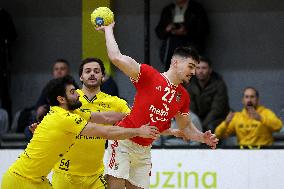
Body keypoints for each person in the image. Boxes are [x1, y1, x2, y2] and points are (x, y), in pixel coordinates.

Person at [97, 23, 218, 189]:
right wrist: (108, 30)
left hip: (144, 150)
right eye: (191, 66)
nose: (194, 72)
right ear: (175, 63)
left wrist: (202, 137)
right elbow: (116, 57)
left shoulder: (182, 96)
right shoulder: (148, 75)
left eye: (196, 68)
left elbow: (186, 127)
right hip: (123, 141)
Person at [1, 76, 159, 189]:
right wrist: (138, 130)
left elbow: (104, 116)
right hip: (20, 181)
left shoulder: (72, 113)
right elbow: (106, 131)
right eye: (72, 92)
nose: (78, 94)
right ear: (61, 99)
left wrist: (137, 114)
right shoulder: (65, 118)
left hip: (37, 180)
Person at [51, 57, 130, 189]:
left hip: (95, 177)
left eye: (96, 71)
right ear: (81, 77)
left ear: (103, 76)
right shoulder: (69, 99)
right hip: (64, 175)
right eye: (87, 71)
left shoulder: (116, 103)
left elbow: (135, 119)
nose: (92, 74)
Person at [215, 87, 282, 149]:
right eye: (246, 97)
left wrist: (261, 118)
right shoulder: (238, 116)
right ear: (243, 100)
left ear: (257, 99)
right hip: (243, 153)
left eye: (252, 97)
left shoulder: (266, 113)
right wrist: (226, 123)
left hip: (264, 152)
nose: (249, 100)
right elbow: (217, 134)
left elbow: (279, 127)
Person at [155, 0, 209, 70]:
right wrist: (167, 29)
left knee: (189, 74)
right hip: (172, 50)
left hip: (190, 47)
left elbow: (204, 30)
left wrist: (186, 31)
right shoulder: (168, 9)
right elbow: (159, 32)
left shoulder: (196, 9)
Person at [186, 56, 230, 132]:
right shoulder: (190, 84)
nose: (200, 71)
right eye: (198, 68)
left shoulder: (219, 84)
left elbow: (217, 110)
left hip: (217, 118)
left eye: (204, 68)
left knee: (210, 127)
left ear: (210, 70)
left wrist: (202, 126)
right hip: (198, 118)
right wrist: (196, 123)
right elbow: (190, 106)